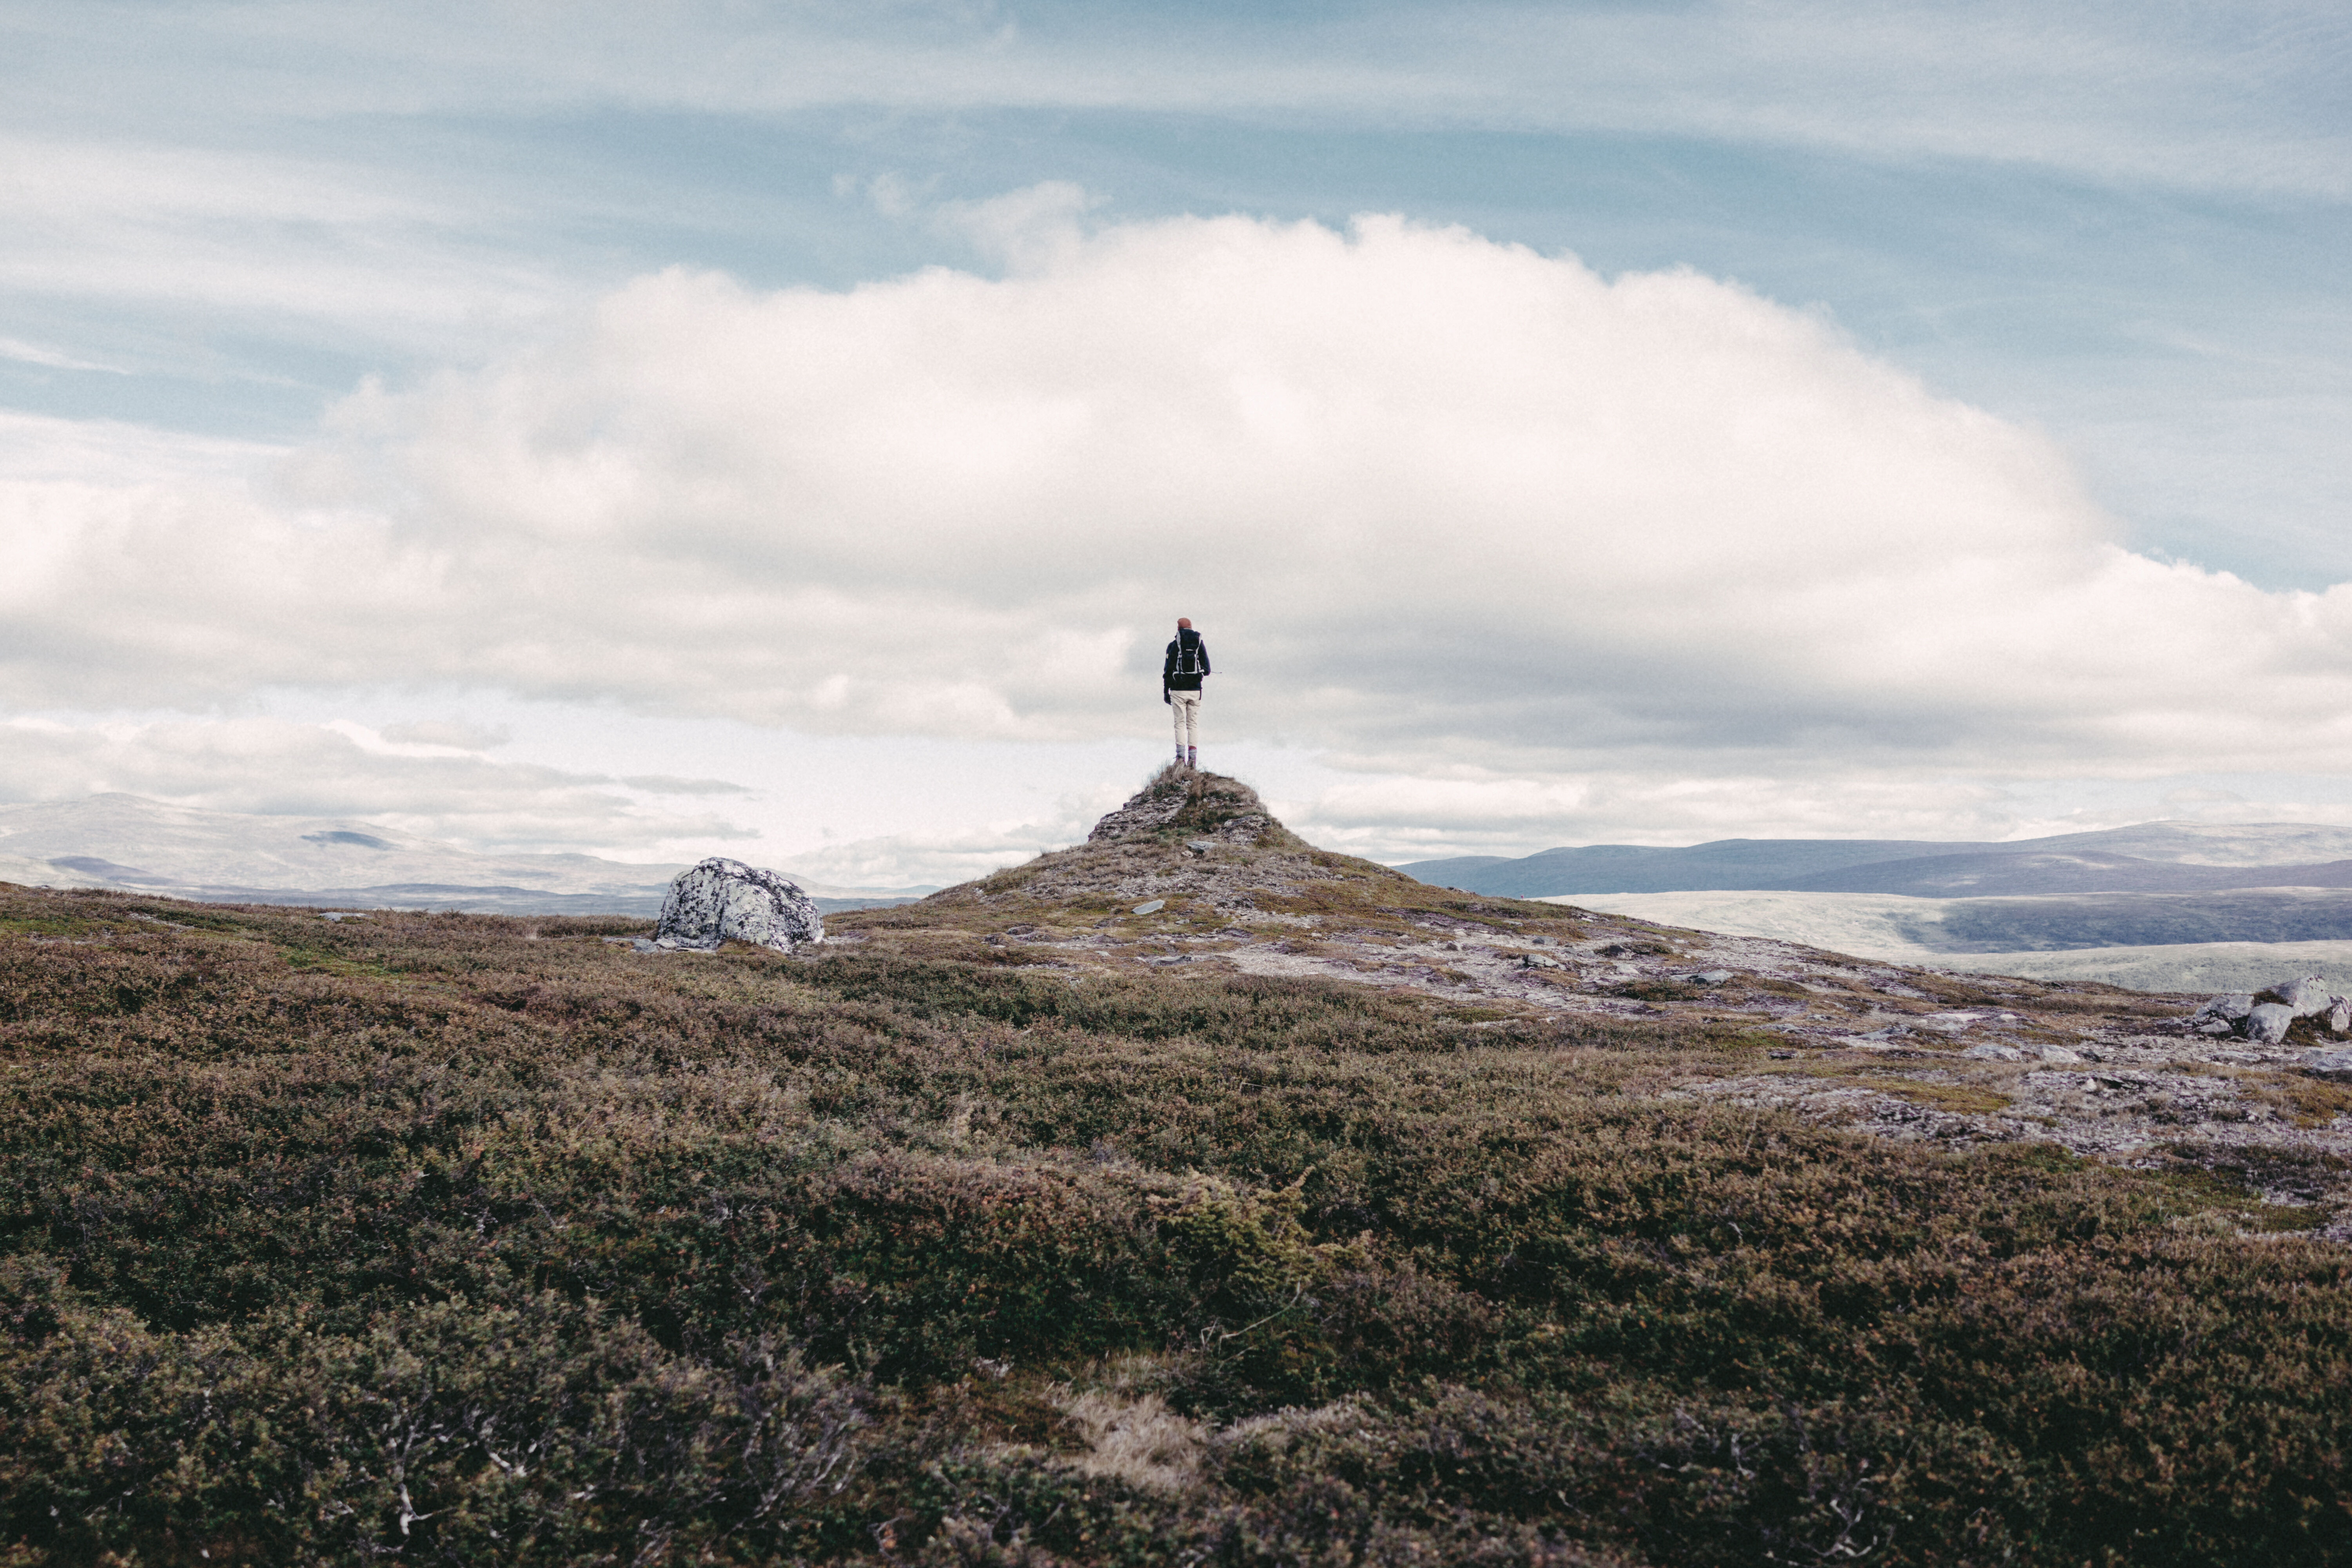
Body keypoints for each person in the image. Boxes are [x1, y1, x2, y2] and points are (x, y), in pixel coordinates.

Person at [1163, 616, 1210, 769]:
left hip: (1178, 690)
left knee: (1180, 724)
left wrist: (1166, 691)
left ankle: (1180, 759)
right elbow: (1208, 670)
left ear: (1178, 629)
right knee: (1193, 724)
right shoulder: (1199, 643)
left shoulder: (1173, 645)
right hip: (1195, 690)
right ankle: (1193, 762)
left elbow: (1168, 670)